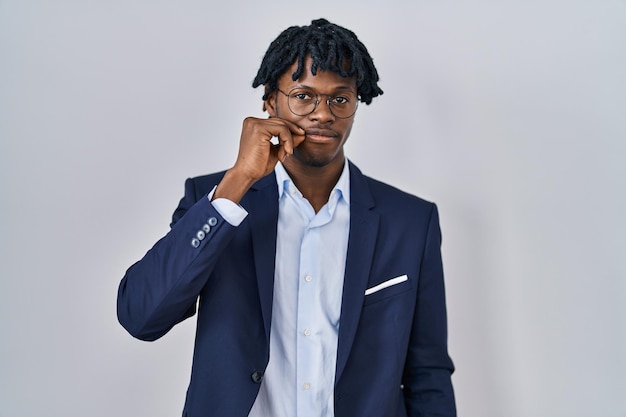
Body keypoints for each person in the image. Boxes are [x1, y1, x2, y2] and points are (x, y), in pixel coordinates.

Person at [117, 18, 456, 417]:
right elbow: (141, 316)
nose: (323, 114)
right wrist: (238, 180)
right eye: (303, 96)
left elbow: (427, 372)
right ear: (269, 101)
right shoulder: (216, 201)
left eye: (340, 99)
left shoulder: (410, 222)